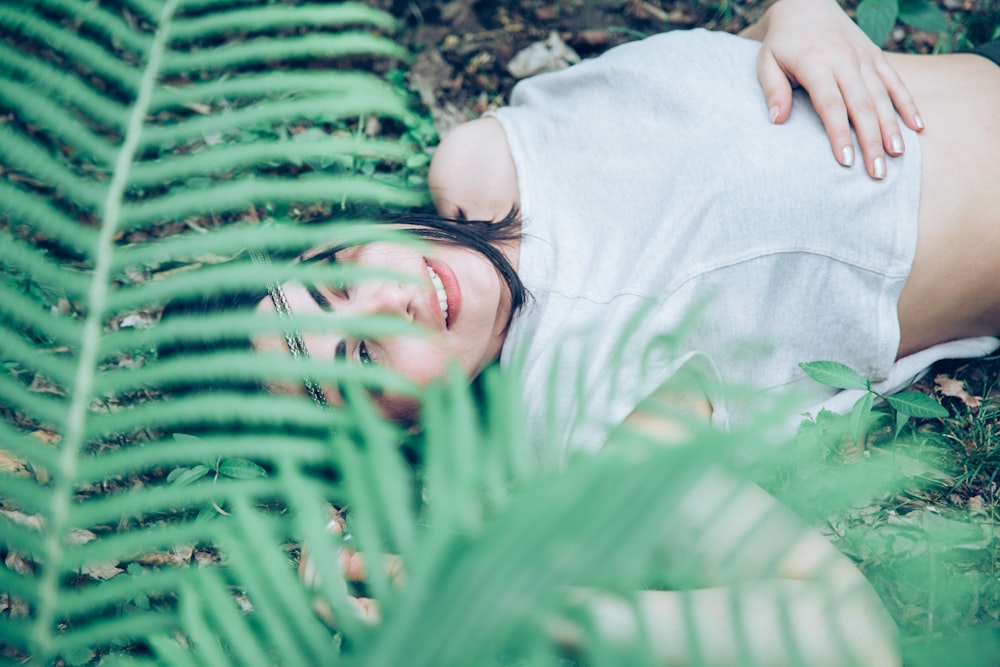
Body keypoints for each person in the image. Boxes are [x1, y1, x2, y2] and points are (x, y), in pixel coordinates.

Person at [253, 0, 1000, 663]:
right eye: (359, 355)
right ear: (401, 430)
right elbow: (844, 632)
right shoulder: (593, 409)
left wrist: (796, 16)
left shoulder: (489, 154)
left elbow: (720, 95)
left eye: (336, 280)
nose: (389, 299)